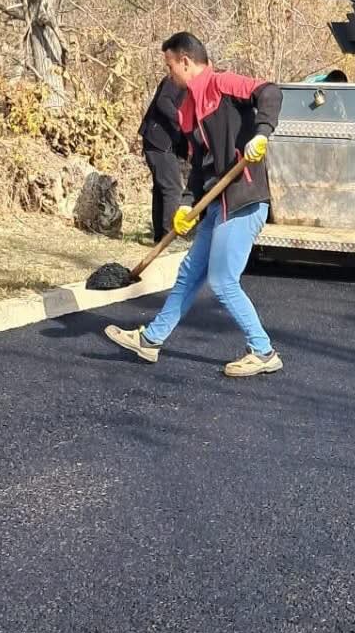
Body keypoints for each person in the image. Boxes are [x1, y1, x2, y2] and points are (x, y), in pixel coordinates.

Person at [104, 33, 283, 376]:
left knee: (222, 280)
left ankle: (263, 351)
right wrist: (187, 203)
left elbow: (270, 91)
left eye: (169, 65)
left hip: (243, 200)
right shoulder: (188, 110)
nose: (168, 74)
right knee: (189, 274)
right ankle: (151, 340)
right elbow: (199, 167)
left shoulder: (222, 84)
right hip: (216, 204)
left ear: (185, 61)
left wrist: (261, 133)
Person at [138, 73, 189, 242]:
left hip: (162, 141)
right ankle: (169, 237)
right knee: (172, 188)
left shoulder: (189, 83)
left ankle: (160, 236)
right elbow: (163, 102)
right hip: (158, 139)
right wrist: (182, 119)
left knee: (162, 188)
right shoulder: (176, 78)